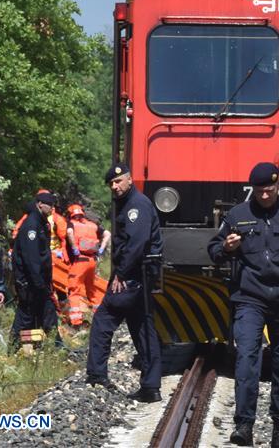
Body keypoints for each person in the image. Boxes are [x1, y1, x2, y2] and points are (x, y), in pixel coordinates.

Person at [208, 162, 279, 448]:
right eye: (259, 191)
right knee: (246, 357)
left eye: (269, 190)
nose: (265, 196)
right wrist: (226, 248)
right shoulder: (237, 215)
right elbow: (213, 249)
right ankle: (244, 424)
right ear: (252, 189)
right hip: (250, 297)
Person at [85, 163, 163, 403]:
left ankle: (97, 375)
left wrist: (120, 273)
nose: (115, 187)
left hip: (131, 276)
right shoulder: (132, 203)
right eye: (111, 183)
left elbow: (136, 244)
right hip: (139, 276)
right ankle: (150, 387)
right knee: (143, 328)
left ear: (130, 180)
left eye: (118, 182)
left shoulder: (136, 206)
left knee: (103, 319)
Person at [10, 191, 61, 347]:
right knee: (26, 316)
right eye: (50, 205)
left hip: (38, 281)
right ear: (40, 204)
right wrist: (39, 283)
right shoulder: (32, 225)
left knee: (45, 313)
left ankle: (54, 346)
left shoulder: (40, 222)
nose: (52, 208)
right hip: (30, 282)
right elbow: (32, 259)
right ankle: (13, 348)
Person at [66, 203, 111, 327]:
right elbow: (108, 234)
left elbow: (69, 232)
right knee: (92, 290)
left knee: (74, 289)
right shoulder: (92, 225)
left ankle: (76, 323)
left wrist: (74, 248)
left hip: (80, 260)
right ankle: (101, 317)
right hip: (92, 261)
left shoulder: (71, 224)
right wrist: (101, 249)